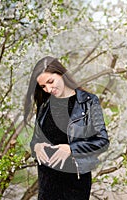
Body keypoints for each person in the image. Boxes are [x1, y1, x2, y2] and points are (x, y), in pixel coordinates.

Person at [24, 56, 109, 200]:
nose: (48, 89)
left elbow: (102, 141)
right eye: (43, 86)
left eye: (50, 82)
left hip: (74, 183)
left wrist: (71, 149)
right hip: (47, 183)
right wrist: (36, 147)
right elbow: (35, 140)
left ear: (61, 73)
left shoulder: (88, 102)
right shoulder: (44, 105)